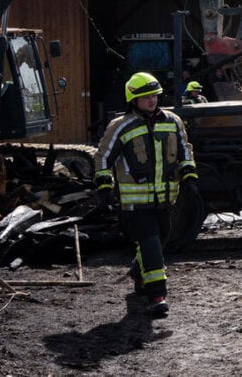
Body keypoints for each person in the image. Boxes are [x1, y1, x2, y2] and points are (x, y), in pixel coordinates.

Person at [93, 71, 198, 317]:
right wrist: (104, 186)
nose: (151, 100)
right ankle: (157, 295)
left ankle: (139, 272)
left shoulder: (173, 121)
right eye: (145, 96)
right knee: (151, 242)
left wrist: (190, 179)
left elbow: (185, 151)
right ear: (133, 100)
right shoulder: (120, 126)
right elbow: (103, 157)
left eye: (154, 95)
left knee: (161, 238)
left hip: (165, 198)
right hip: (135, 202)